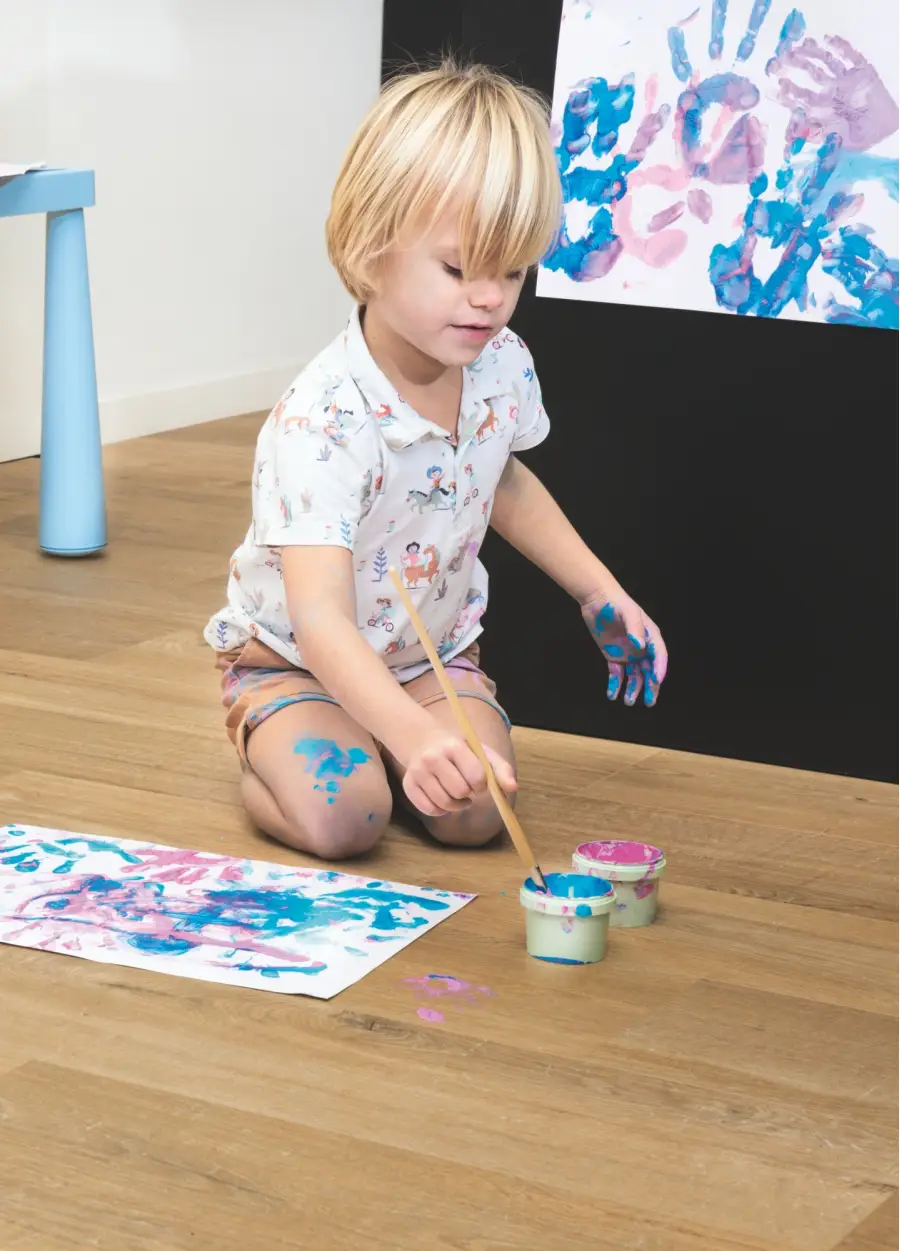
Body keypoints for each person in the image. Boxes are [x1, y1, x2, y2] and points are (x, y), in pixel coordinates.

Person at [204, 59, 668, 860]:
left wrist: (598, 589)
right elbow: (319, 619)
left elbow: (502, 479)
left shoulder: (501, 364)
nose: (489, 297)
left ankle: (383, 746)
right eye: (457, 269)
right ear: (370, 246)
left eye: (512, 270)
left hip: (428, 657)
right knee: (347, 818)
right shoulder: (323, 418)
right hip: (300, 663)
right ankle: (275, 760)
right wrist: (412, 738)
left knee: (478, 811)